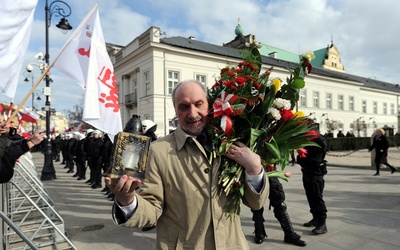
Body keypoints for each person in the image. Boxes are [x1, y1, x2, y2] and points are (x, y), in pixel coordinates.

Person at [104, 80, 269, 249]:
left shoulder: (231, 142)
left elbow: (255, 203)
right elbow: (152, 209)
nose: (192, 113)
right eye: (184, 107)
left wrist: (254, 169)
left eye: (199, 104)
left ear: (209, 105)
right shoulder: (158, 151)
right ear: (175, 110)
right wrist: (127, 200)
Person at [251, 164, 306, 247]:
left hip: (270, 171)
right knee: (257, 204)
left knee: (280, 204)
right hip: (254, 174)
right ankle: (259, 232)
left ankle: (289, 234)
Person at [297, 133, 328, 235]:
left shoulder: (318, 139)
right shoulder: (307, 139)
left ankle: (322, 224)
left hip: (316, 173)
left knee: (317, 198)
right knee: (310, 197)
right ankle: (315, 219)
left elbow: (323, 145)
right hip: (307, 172)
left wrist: (313, 134)